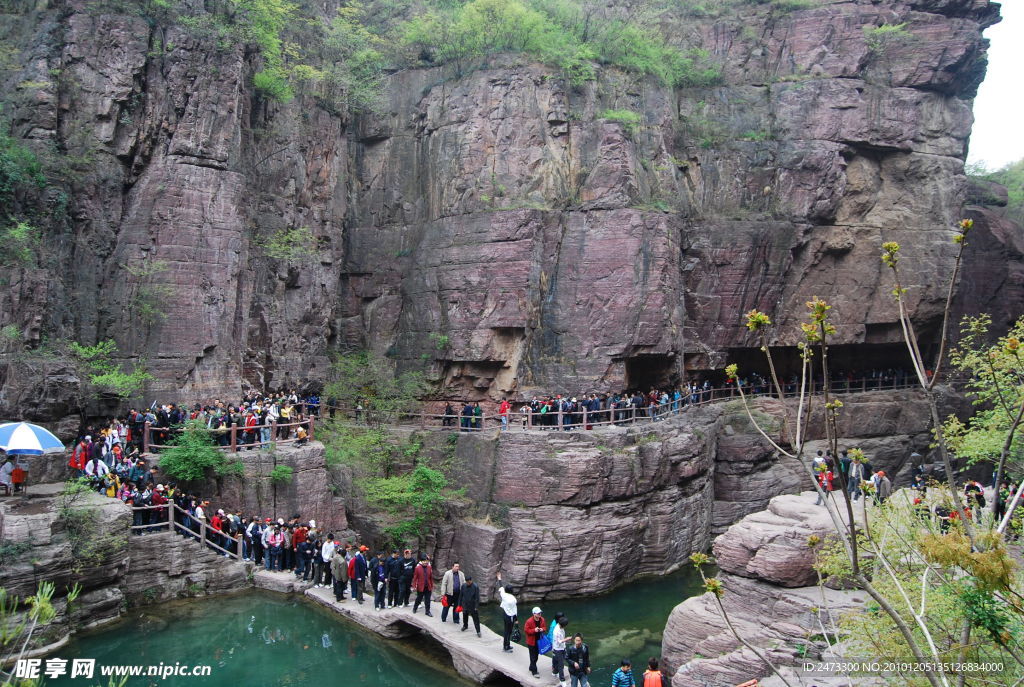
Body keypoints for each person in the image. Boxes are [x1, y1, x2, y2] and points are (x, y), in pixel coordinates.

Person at [496, 572, 518, 653]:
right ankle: (506, 647)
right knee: (509, 631)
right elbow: (515, 610)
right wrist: (516, 619)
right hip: (510, 616)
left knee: (507, 631)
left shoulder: (504, 595)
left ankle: (507, 644)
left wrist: (499, 578)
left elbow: (501, 587)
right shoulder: (513, 599)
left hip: (505, 615)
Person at [524, 606, 547, 677]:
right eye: (538, 613)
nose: (539, 614)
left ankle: (531, 667)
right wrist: (534, 630)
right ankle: (534, 671)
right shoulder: (529, 621)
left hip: (539, 641)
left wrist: (541, 629)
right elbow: (526, 630)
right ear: (534, 614)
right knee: (533, 656)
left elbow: (545, 627)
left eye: (540, 613)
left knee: (536, 656)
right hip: (531, 642)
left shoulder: (542, 619)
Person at [552, 614, 569, 686]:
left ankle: (555, 672)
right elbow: (559, 641)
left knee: (556, 660)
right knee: (561, 664)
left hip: (562, 647)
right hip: (558, 649)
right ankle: (562, 680)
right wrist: (567, 639)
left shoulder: (560, 626)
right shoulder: (557, 631)